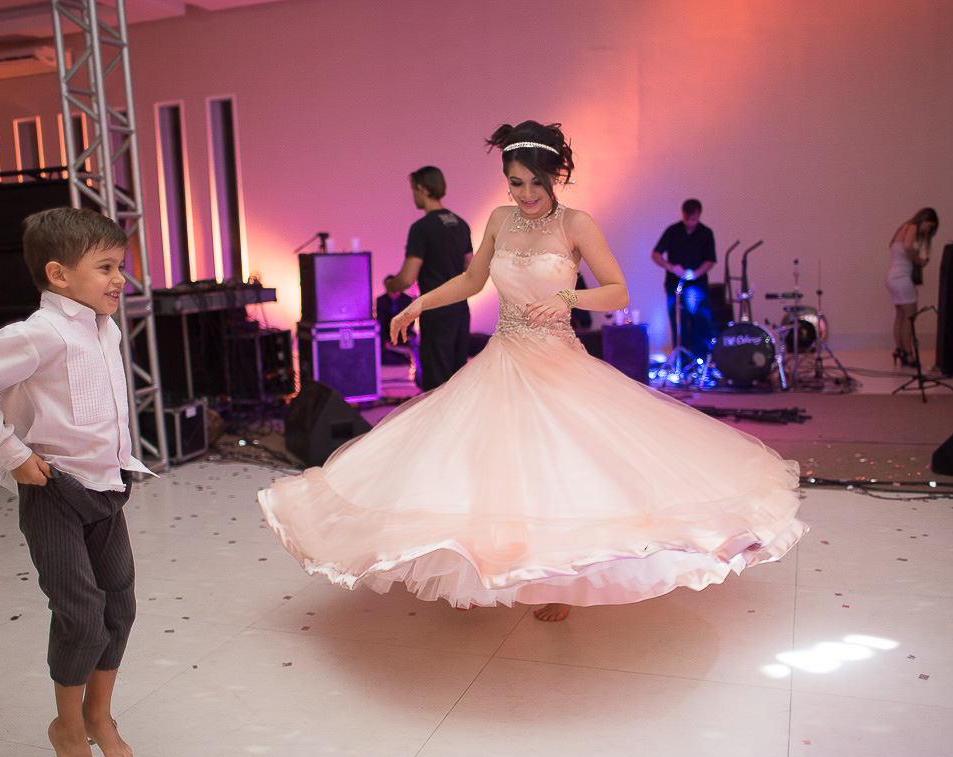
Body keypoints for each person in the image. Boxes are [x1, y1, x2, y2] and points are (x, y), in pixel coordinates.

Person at [258, 120, 806, 624]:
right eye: (514, 184)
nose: (524, 195)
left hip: (558, 360)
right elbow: (472, 281)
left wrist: (568, 295)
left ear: (555, 177)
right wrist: (417, 304)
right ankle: (484, 567)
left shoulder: (576, 224)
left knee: (560, 468)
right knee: (486, 468)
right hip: (504, 357)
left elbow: (618, 291)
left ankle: (560, 581)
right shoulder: (500, 220)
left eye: (534, 184)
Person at [0, 207, 152, 757]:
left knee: (119, 606)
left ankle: (99, 714)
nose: (120, 279)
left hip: (107, 488)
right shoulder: (39, 332)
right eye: (106, 267)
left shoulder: (104, 327)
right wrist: (10, 451)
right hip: (54, 490)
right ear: (59, 274)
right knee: (80, 613)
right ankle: (68, 727)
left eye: (121, 266)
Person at [383, 166, 473, 391]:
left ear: (422, 188)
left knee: (436, 383)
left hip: (435, 311)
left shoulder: (421, 228)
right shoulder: (461, 224)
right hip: (460, 309)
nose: (413, 195)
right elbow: (469, 266)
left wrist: (391, 284)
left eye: (413, 189)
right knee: (458, 379)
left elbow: (407, 278)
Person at [652, 199, 716, 360]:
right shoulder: (673, 231)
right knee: (678, 323)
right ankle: (681, 362)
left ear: (698, 216)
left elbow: (710, 260)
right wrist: (671, 267)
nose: (690, 222)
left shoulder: (705, 233)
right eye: (687, 219)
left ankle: (699, 361)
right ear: (683, 215)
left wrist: (695, 274)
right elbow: (656, 254)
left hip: (697, 285)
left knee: (699, 322)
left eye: (693, 219)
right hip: (674, 285)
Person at [884, 207, 938, 366]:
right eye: (930, 226)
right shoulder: (913, 227)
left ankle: (899, 349)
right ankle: (908, 354)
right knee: (909, 317)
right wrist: (919, 260)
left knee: (900, 315)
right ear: (925, 220)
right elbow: (908, 247)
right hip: (902, 278)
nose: (928, 230)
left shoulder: (903, 228)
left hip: (892, 277)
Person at [376, 275, 415, 366]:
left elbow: (410, 320)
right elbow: (381, 321)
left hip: (404, 334)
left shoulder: (407, 300)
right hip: (388, 334)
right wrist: (385, 340)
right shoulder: (381, 301)